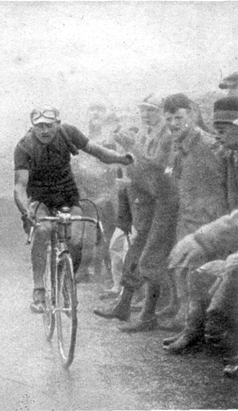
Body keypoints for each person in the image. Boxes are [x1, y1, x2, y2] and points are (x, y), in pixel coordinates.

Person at [13, 106, 133, 313]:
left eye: (48, 126)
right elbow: (19, 186)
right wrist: (26, 212)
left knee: (76, 239)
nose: (44, 131)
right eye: (39, 126)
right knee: (42, 232)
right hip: (40, 198)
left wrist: (122, 159)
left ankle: (66, 281)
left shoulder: (68, 132)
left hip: (67, 195)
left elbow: (97, 151)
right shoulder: (24, 146)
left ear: (58, 124)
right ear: (32, 127)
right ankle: (39, 290)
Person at [93, 94, 180, 332]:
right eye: (143, 110)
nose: (145, 115)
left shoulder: (167, 136)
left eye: (151, 111)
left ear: (161, 113)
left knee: (151, 257)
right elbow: (135, 166)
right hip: (145, 199)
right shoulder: (144, 132)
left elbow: (158, 165)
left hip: (165, 201)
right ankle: (123, 303)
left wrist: (132, 147)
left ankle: (148, 315)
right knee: (135, 251)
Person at [163, 96, 238, 356]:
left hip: (212, 222)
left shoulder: (209, 146)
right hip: (198, 221)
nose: (219, 133)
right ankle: (193, 329)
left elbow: (221, 193)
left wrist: (209, 232)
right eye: (217, 125)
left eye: (226, 126)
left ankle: (204, 334)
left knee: (208, 274)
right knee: (191, 275)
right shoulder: (189, 145)